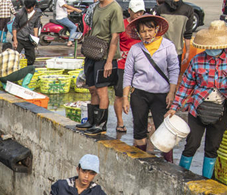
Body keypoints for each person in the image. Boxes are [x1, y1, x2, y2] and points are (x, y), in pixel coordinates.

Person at [166, 21, 227, 178]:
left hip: (221, 108)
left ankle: (207, 180)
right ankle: (182, 177)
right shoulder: (197, 60)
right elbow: (185, 86)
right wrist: (174, 107)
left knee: (212, 147)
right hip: (197, 107)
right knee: (192, 144)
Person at [122, 15, 180, 162]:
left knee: (164, 130)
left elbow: (174, 69)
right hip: (139, 93)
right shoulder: (135, 49)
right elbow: (128, 73)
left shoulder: (168, 46)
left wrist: (172, 92)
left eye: (150, 30)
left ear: (156, 29)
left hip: (161, 94)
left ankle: (168, 163)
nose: (147, 34)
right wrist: (125, 97)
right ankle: (142, 161)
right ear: (138, 33)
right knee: (139, 129)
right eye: (143, 31)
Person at [76, 0, 125, 134]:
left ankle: (101, 124)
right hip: (93, 51)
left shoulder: (115, 8)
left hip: (105, 55)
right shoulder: (97, 7)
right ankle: (92, 120)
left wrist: (109, 61)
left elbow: (115, 38)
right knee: (92, 88)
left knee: (101, 90)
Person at [114, 0, 146, 133]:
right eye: (136, 11)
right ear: (129, 11)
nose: (138, 14)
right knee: (120, 94)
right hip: (123, 64)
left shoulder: (145, 25)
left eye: (141, 12)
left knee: (140, 95)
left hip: (141, 65)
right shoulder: (122, 24)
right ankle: (120, 122)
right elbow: (115, 43)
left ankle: (139, 122)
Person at [11, 0, 42, 66]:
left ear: (33, 6)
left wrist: (35, 37)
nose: (28, 10)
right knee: (14, 57)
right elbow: (14, 26)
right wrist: (15, 40)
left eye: (29, 8)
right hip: (20, 38)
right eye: (26, 8)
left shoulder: (37, 13)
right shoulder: (20, 13)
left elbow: (36, 25)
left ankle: (27, 70)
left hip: (30, 39)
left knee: (31, 58)